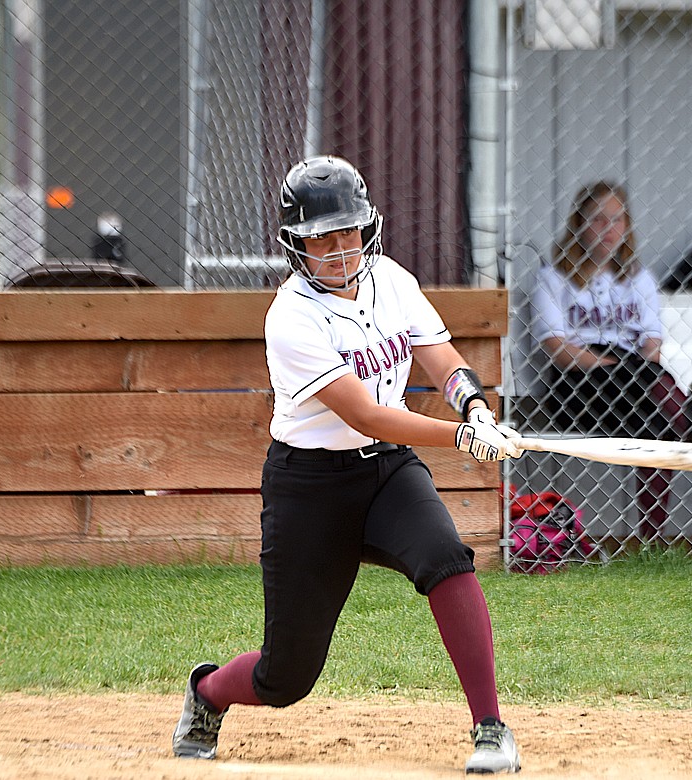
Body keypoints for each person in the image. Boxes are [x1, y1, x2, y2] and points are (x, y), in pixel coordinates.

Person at [171, 155, 523, 775]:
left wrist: (474, 404)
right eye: (320, 239)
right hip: (309, 489)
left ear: (369, 229)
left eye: (349, 233)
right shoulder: (290, 317)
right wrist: (465, 439)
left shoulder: (391, 279)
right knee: (287, 677)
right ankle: (207, 693)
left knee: (447, 560)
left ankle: (491, 729)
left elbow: (439, 357)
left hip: (387, 473)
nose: (339, 250)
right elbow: (366, 414)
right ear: (295, 245)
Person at [531, 181, 687, 543]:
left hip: (634, 384)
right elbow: (559, 349)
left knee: (655, 428)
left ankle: (652, 540)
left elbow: (652, 344)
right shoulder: (554, 279)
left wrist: (631, 369)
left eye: (617, 220)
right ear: (579, 225)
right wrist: (616, 367)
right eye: (598, 220)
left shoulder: (638, 279)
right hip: (577, 385)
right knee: (657, 406)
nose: (609, 229)